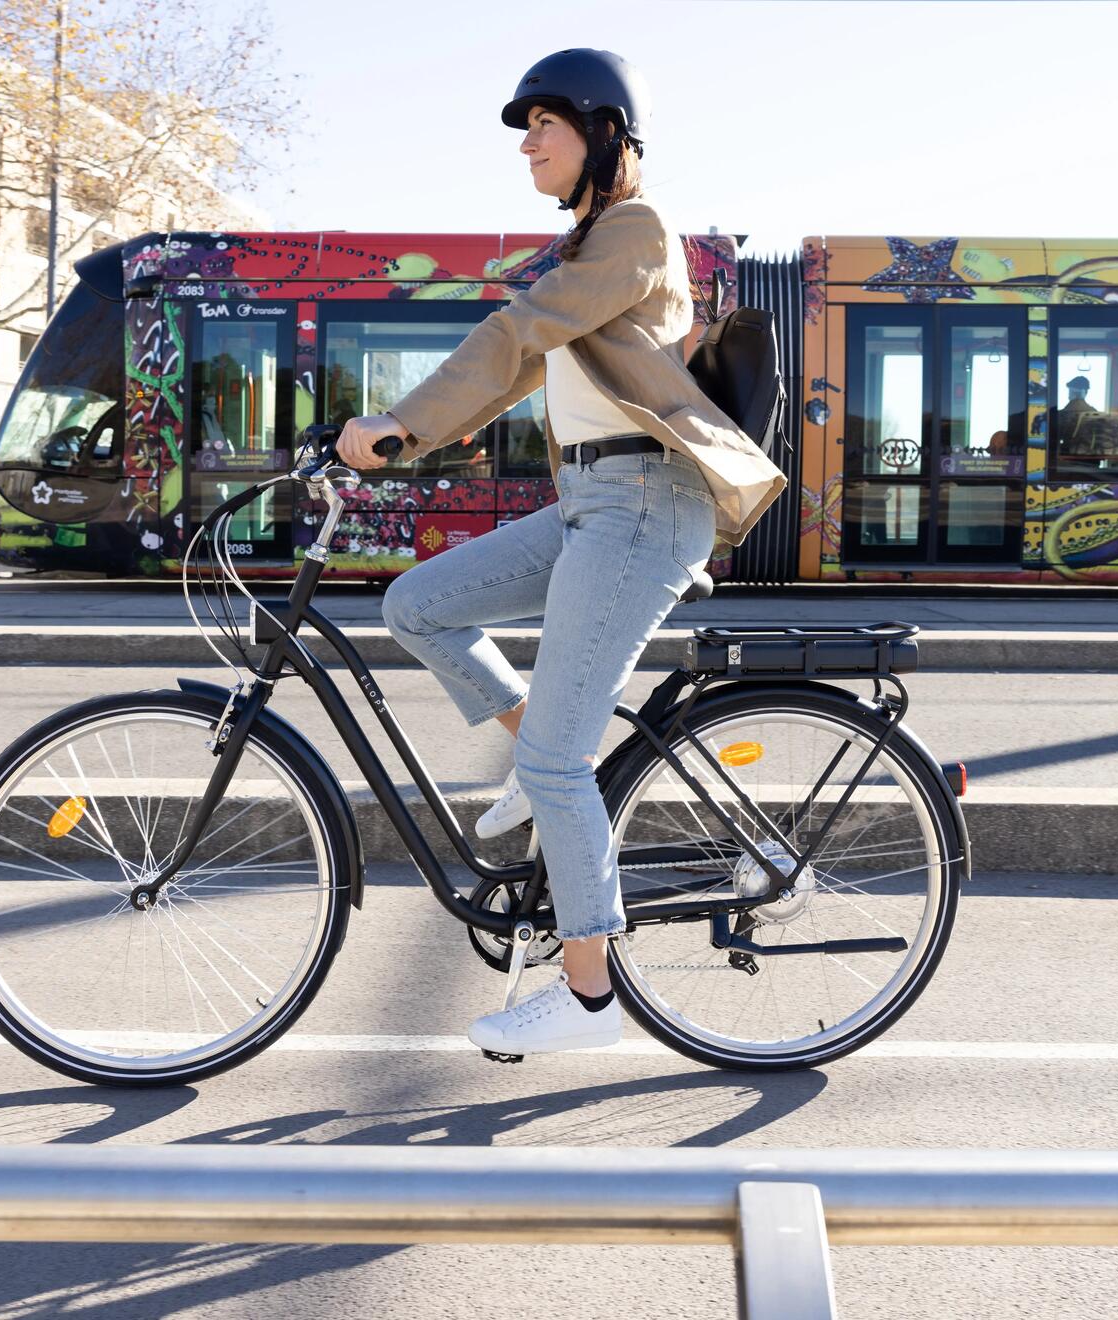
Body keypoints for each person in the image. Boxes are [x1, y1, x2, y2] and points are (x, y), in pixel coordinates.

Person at [329, 48, 787, 1056]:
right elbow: (510, 371)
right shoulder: (589, 249)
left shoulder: (634, 229)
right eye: (524, 126)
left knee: (557, 763)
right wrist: (403, 443)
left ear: (606, 136)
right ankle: (534, 764)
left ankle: (588, 1000)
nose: (526, 142)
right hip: (589, 499)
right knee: (416, 606)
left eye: (544, 123)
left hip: (643, 506)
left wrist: (399, 417)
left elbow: (516, 333)